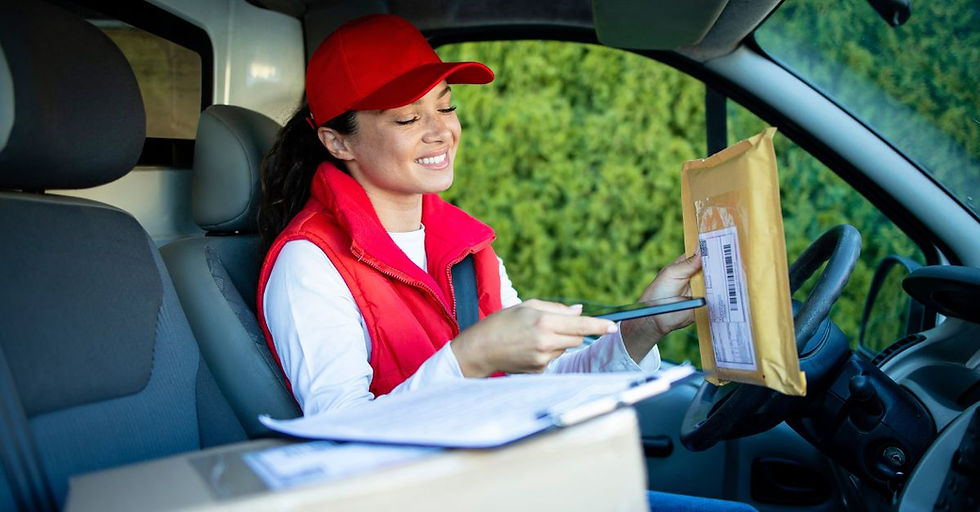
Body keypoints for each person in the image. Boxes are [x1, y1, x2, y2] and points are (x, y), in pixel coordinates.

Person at [255, 13, 756, 512]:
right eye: (408, 118)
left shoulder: (464, 243)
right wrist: (471, 358)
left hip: (515, 485)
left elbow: (542, 386)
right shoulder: (309, 263)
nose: (440, 132)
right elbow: (344, 445)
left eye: (446, 106)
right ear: (337, 141)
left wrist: (643, 327)